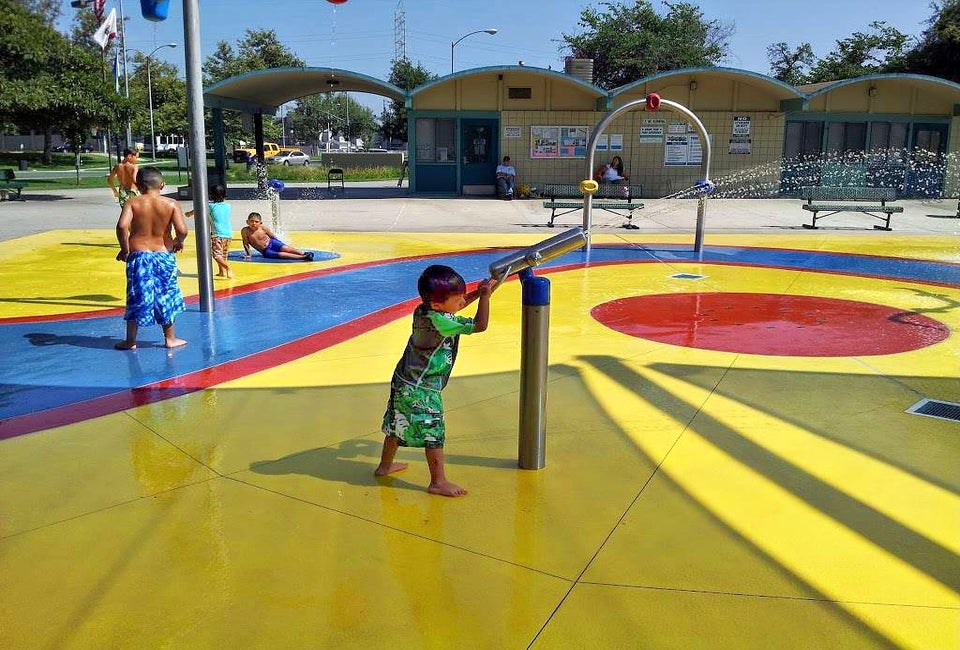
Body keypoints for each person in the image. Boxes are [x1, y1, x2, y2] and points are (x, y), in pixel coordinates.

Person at [375, 264, 499, 497]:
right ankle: (438, 482)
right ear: (438, 305)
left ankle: (384, 466)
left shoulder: (424, 310)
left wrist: (483, 293)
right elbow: (480, 325)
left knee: (397, 423)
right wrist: (484, 298)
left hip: (404, 379)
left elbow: (455, 305)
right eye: (458, 298)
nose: (462, 301)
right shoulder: (442, 322)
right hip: (422, 388)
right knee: (434, 431)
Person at [114, 167, 188, 350]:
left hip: (138, 255)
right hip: (163, 254)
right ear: (162, 185)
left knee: (135, 295)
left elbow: (122, 226)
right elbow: (183, 230)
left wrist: (125, 249)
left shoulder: (132, 202)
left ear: (138, 186)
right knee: (166, 294)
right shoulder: (171, 204)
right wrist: (179, 241)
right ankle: (170, 338)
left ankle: (131, 340)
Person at [185, 184, 233, 278]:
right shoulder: (228, 205)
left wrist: (188, 214)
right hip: (228, 234)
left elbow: (197, 211)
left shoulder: (210, 206)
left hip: (217, 235)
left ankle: (227, 268)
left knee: (216, 255)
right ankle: (222, 272)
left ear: (210, 195)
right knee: (223, 255)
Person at [240, 212, 314, 261]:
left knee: (286, 248)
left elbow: (272, 236)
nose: (254, 223)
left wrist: (279, 244)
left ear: (260, 223)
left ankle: (303, 253)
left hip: (272, 243)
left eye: (256, 222)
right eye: (251, 221)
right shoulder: (245, 231)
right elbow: (245, 243)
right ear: (247, 222)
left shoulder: (263, 228)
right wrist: (249, 254)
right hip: (265, 251)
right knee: (281, 254)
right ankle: (303, 257)